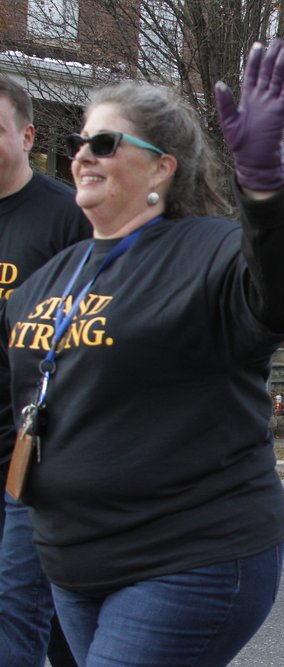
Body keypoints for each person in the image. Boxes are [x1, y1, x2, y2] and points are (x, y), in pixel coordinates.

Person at [0, 40, 284, 663]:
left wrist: (266, 187)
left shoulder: (211, 251)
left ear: (163, 167)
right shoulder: (49, 278)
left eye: (105, 144)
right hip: (72, 558)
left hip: (188, 553)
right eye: (79, 144)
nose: (82, 158)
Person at [0, 75, 89, 667]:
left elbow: (97, 332)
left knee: (14, 604)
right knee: (44, 609)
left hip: (31, 449)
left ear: (27, 135)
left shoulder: (65, 218)